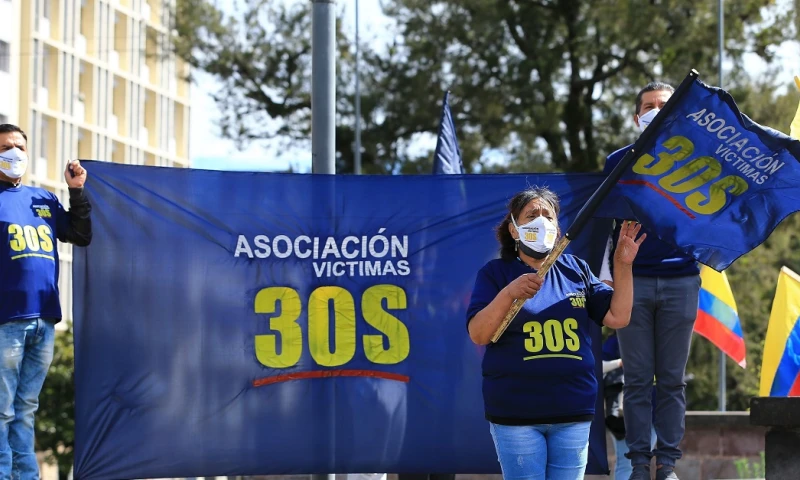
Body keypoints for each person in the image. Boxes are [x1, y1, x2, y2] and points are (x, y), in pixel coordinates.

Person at [466, 186, 645, 480]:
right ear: (514, 229)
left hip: (572, 410)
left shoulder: (577, 269)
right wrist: (509, 293)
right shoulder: (495, 273)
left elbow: (617, 316)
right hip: (516, 413)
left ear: (558, 228)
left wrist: (623, 265)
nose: (541, 221)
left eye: (547, 215)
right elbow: (478, 334)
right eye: (531, 215)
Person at [601, 82, 701, 480]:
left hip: (682, 280)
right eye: (648, 105)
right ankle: (639, 464)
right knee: (637, 380)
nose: (655, 110)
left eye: (664, 104)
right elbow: (603, 222)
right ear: (635, 115)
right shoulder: (618, 162)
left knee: (672, 380)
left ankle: (668, 466)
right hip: (634, 283)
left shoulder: (698, 162)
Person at [0, 124, 92, 478]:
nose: (15, 153)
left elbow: (80, 234)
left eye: (20, 146)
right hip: (6, 320)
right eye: (6, 147)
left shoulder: (43, 199)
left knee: (25, 408)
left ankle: (25, 475)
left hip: (44, 320)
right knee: (3, 409)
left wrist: (76, 191)